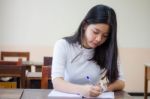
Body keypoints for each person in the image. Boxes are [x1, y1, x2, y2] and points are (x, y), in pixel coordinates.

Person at [51, 4, 125, 98]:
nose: (99, 39)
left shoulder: (108, 49)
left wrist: (102, 88)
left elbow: (121, 82)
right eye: (95, 32)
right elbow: (57, 82)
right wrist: (81, 90)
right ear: (85, 25)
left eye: (105, 36)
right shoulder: (63, 45)